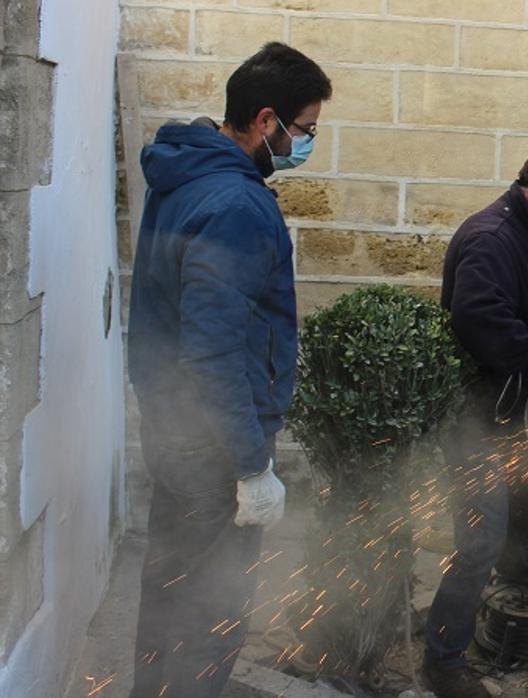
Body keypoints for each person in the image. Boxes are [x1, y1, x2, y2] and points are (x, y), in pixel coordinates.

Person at [127, 43, 331, 698]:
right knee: (210, 610)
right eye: (305, 130)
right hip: (213, 449)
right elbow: (213, 351)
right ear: (266, 120)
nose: (307, 143)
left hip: (175, 429)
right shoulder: (237, 207)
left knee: (169, 591)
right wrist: (250, 465)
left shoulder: (185, 175)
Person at [423, 141, 528, 697]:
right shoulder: (491, 238)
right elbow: (477, 316)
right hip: (479, 419)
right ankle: (444, 661)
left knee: (520, 509)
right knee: (479, 539)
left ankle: (517, 584)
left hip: (518, 417)